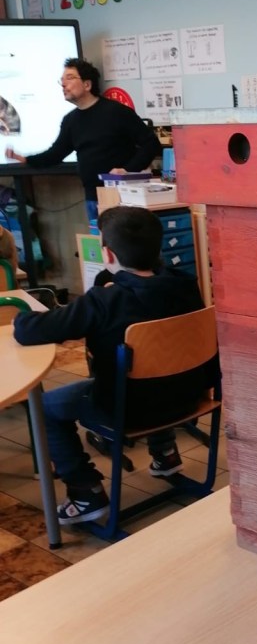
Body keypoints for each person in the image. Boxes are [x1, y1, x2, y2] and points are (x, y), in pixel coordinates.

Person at [13, 205, 214, 526]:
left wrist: (21, 316)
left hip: (129, 410)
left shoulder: (104, 300)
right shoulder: (186, 286)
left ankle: (85, 492)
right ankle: (165, 454)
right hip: (190, 399)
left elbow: (30, 331)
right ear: (158, 249)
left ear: (107, 254)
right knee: (157, 367)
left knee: (47, 407)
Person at [3, 58, 161, 224]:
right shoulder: (71, 120)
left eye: (70, 78)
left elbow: (151, 144)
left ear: (87, 85)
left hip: (123, 194)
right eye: (62, 80)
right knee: (99, 239)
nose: (64, 85)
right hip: (92, 196)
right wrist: (26, 159)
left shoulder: (116, 112)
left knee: (122, 239)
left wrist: (128, 170)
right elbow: (56, 154)